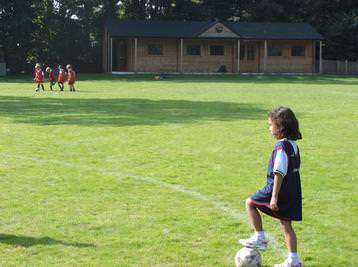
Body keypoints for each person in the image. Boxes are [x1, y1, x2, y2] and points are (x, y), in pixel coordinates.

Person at [239, 107, 303, 267]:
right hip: (292, 190)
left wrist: (274, 197)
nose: (269, 129)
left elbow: (279, 173)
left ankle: (260, 238)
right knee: (286, 224)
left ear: (280, 127)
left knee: (250, 203)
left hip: (278, 189)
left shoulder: (281, 147)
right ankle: (294, 261)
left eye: (270, 125)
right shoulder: (293, 145)